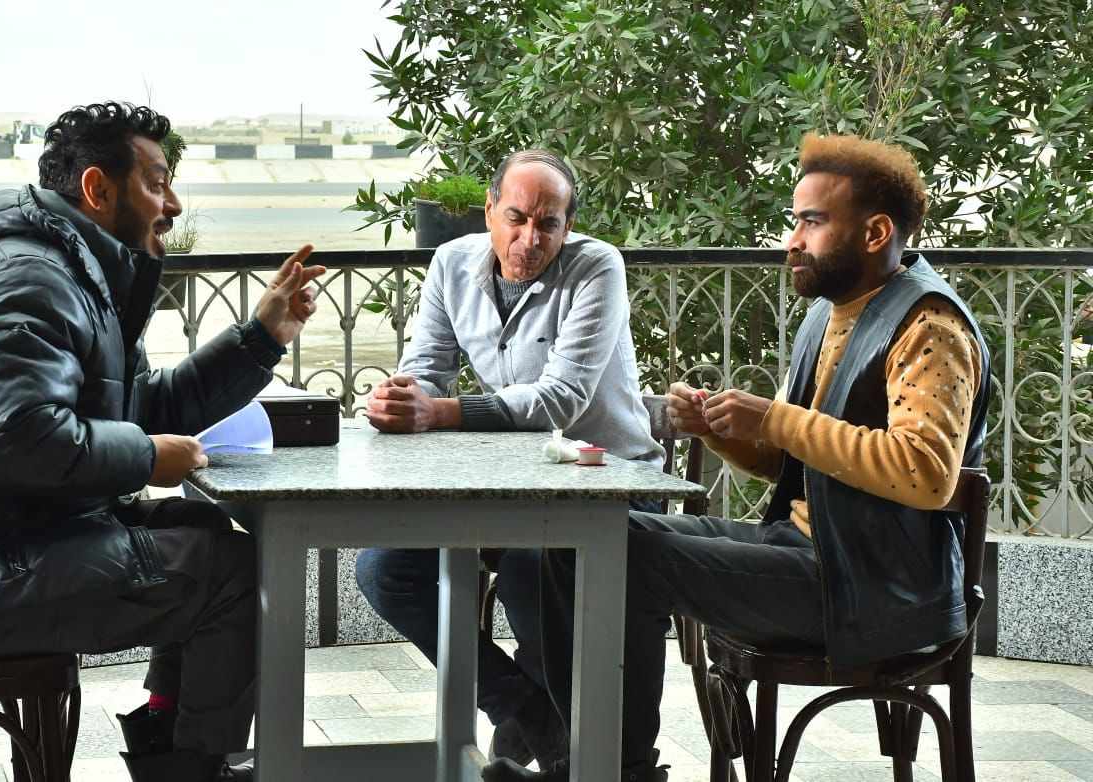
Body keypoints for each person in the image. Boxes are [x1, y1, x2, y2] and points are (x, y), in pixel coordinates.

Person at [484, 133, 992, 782]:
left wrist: (774, 418)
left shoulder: (929, 324)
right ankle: (589, 761)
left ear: (875, 233)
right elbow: (799, 462)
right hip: (812, 551)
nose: (792, 240)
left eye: (812, 223)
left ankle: (616, 772)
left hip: (876, 588)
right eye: (794, 221)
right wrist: (721, 431)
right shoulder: (833, 312)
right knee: (582, 538)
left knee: (622, 556)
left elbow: (924, 473)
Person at [0, 102, 325, 782]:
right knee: (223, 572)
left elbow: (142, 407)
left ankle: (173, 743)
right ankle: (193, 770)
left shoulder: (72, 277)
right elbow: (19, 440)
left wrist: (261, 338)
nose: (172, 204)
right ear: (98, 189)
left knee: (204, 530)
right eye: (156, 183)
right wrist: (147, 457)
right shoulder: (25, 278)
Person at [360, 149, 664, 770]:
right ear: (490, 211)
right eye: (517, 218)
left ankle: (583, 755)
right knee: (385, 569)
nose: (530, 238)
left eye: (548, 224)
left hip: (610, 482)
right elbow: (427, 368)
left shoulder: (597, 266)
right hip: (511, 485)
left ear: (568, 226)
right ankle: (524, 708)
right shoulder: (452, 263)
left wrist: (439, 412)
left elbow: (562, 397)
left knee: (531, 569)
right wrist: (401, 396)